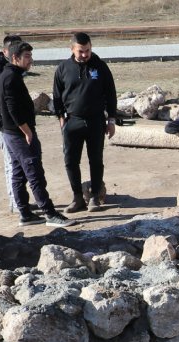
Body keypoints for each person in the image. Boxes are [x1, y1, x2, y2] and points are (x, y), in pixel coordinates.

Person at [0, 41, 74, 227]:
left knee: (19, 173)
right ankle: (49, 214)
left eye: (31, 56)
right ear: (15, 58)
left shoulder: (10, 75)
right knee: (34, 173)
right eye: (27, 57)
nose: (31, 60)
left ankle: (25, 213)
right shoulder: (10, 78)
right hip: (19, 134)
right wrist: (27, 131)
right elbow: (12, 109)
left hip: (12, 133)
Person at [52, 32, 118, 212]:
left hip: (96, 121)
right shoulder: (63, 68)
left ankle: (95, 197)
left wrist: (111, 119)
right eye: (81, 51)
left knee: (96, 160)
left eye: (87, 50)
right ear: (72, 49)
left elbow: (111, 94)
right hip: (72, 122)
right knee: (70, 161)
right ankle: (77, 198)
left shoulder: (100, 67)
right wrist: (61, 120)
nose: (85, 54)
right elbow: (57, 96)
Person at [0, 34, 23, 213]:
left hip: (10, 124)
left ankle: (19, 200)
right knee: (11, 164)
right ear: (5, 51)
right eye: (13, 48)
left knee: (17, 163)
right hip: (1, 125)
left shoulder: (12, 68)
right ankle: (16, 204)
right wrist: (10, 114)